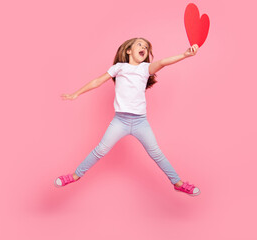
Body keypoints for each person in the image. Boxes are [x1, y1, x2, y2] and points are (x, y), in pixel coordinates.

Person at [55, 37, 200, 196]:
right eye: (139, 44)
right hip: (120, 121)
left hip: (140, 122)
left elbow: (163, 62)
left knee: (157, 154)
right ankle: (75, 176)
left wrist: (185, 55)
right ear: (128, 50)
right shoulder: (119, 67)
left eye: (145, 46)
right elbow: (98, 81)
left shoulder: (145, 68)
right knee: (100, 150)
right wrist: (76, 93)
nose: (143, 47)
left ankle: (178, 183)